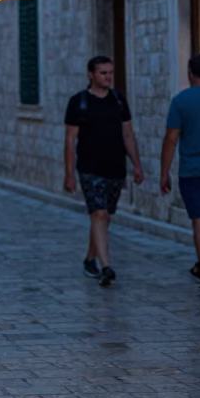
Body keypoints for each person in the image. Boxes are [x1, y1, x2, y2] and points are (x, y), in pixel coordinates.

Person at [64, 55, 143, 287]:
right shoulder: (78, 102)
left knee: (104, 216)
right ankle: (106, 267)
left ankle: (90, 259)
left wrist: (137, 164)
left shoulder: (119, 100)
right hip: (90, 168)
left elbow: (128, 134)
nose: (108, 77)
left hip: (115, 168)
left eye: (110, 73)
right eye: (103, 73)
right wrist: (69, 174)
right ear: (91, 75)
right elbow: (70, 140)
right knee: (99, 214)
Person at [161, 53, 200, 292]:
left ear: (190, 74)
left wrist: (164, 172)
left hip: (193, 170)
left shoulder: (181, 101)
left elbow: (171, 139)